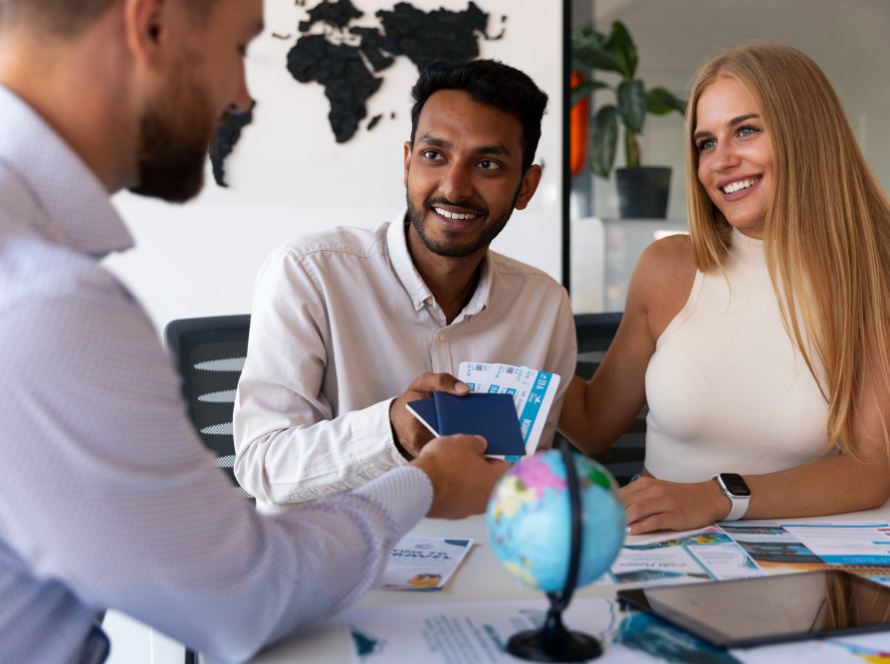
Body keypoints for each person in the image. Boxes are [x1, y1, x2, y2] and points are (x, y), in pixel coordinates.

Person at [0, 0, 507, 661]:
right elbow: (243, 595)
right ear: (151, 27)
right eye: (240, 49)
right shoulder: (45, 302)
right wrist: (427, 481)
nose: (242, 98)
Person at [559, 43, 890, 536]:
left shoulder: (870, 271)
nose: (721, 161)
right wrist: (509, 325)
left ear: (807, 134)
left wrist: (715, 497)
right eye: (705, 143)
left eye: (746, 130)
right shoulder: (667, 267)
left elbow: (870, 471)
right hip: (663, 556)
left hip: (797, 568)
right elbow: (592, 424)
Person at [232, 59, 577, 510]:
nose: (454, 187)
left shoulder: (543, 305)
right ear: (407, 162)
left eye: (487, 164)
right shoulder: (309, 272)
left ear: (526, 186)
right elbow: (261, 465)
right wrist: (390, 430)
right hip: (335, 560)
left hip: (480, 556)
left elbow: (525, 479)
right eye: (434, 156)